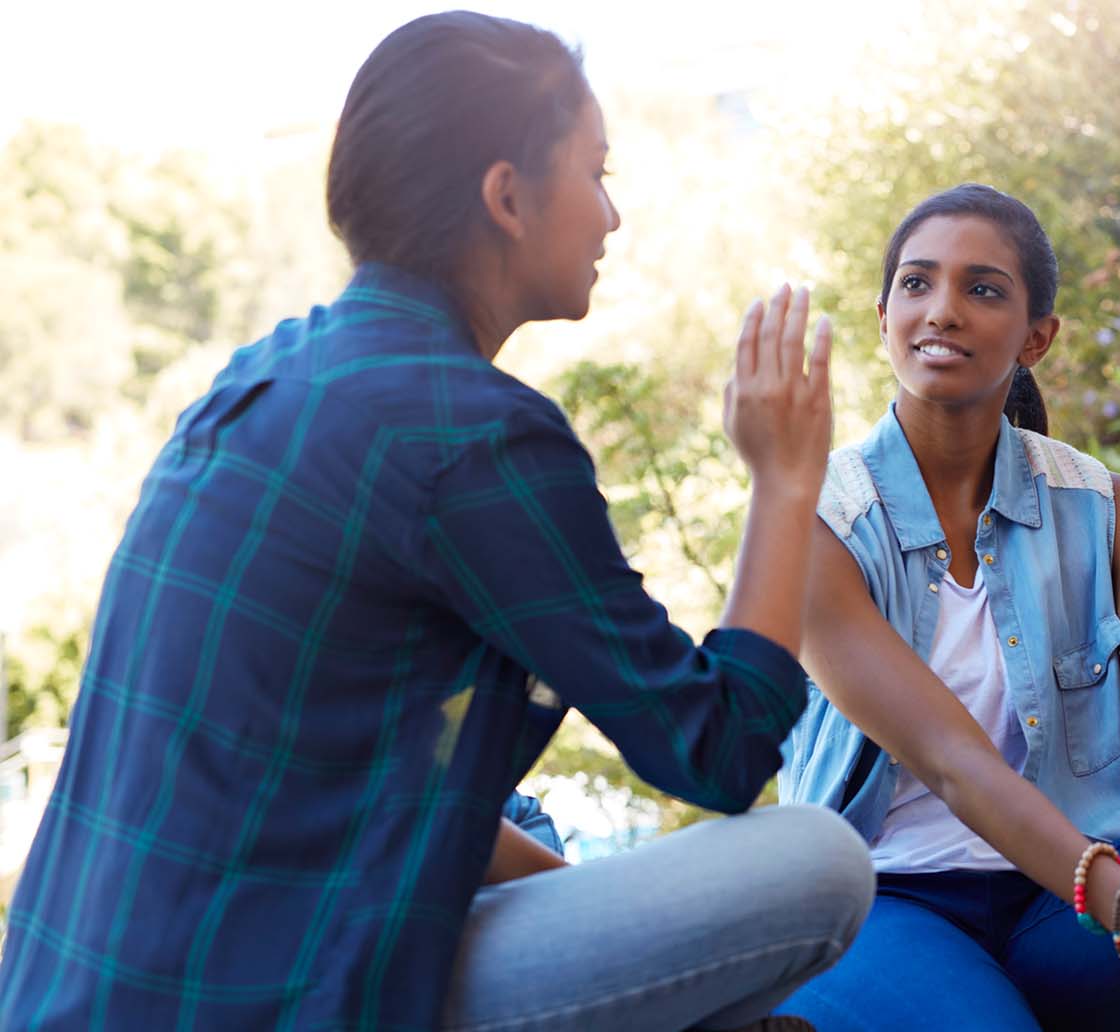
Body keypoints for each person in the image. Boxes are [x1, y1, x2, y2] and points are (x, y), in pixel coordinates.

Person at [0, 13, 870, 1031]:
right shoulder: (473, 439)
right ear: (506, 196)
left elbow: (376, 773)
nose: (610, 219)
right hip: (262, 999)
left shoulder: (265, 375)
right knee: (818, 862)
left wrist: (580, 900)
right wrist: (783, 480)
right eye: (594, 174)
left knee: (516, 821)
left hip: (72, 989)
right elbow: (718, 750)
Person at [773, 184, 1120, 1032]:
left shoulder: (1114, 512)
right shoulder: (818, 521)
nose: (943, 311)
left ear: (1036, 336)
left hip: (1062, 909)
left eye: (984, 289)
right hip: (883, 903)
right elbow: (948, 760)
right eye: (917, 283)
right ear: (884, 314)